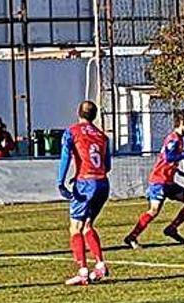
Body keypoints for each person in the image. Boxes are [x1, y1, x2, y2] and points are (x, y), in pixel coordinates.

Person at [124, 110, 184, 249]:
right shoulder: (173, 139)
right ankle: (131, 237)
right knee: (153, 210)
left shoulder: (179, 139)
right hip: (159, 181)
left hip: (168, 182)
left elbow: (169, 161)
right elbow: (168, 157)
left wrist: (178, 171)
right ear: (182, 123)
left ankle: (171, 229)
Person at [56, 100, 111, 286]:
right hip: (102, 182)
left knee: (75, 228)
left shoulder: (72, 131)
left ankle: (83, 271)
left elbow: (65, 156)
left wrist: (60, 182)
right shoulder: (103, 136)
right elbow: (107, 165)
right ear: (94, 116)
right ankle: (100, 265)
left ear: (77, 112)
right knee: (88, 225)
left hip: (85, 182)